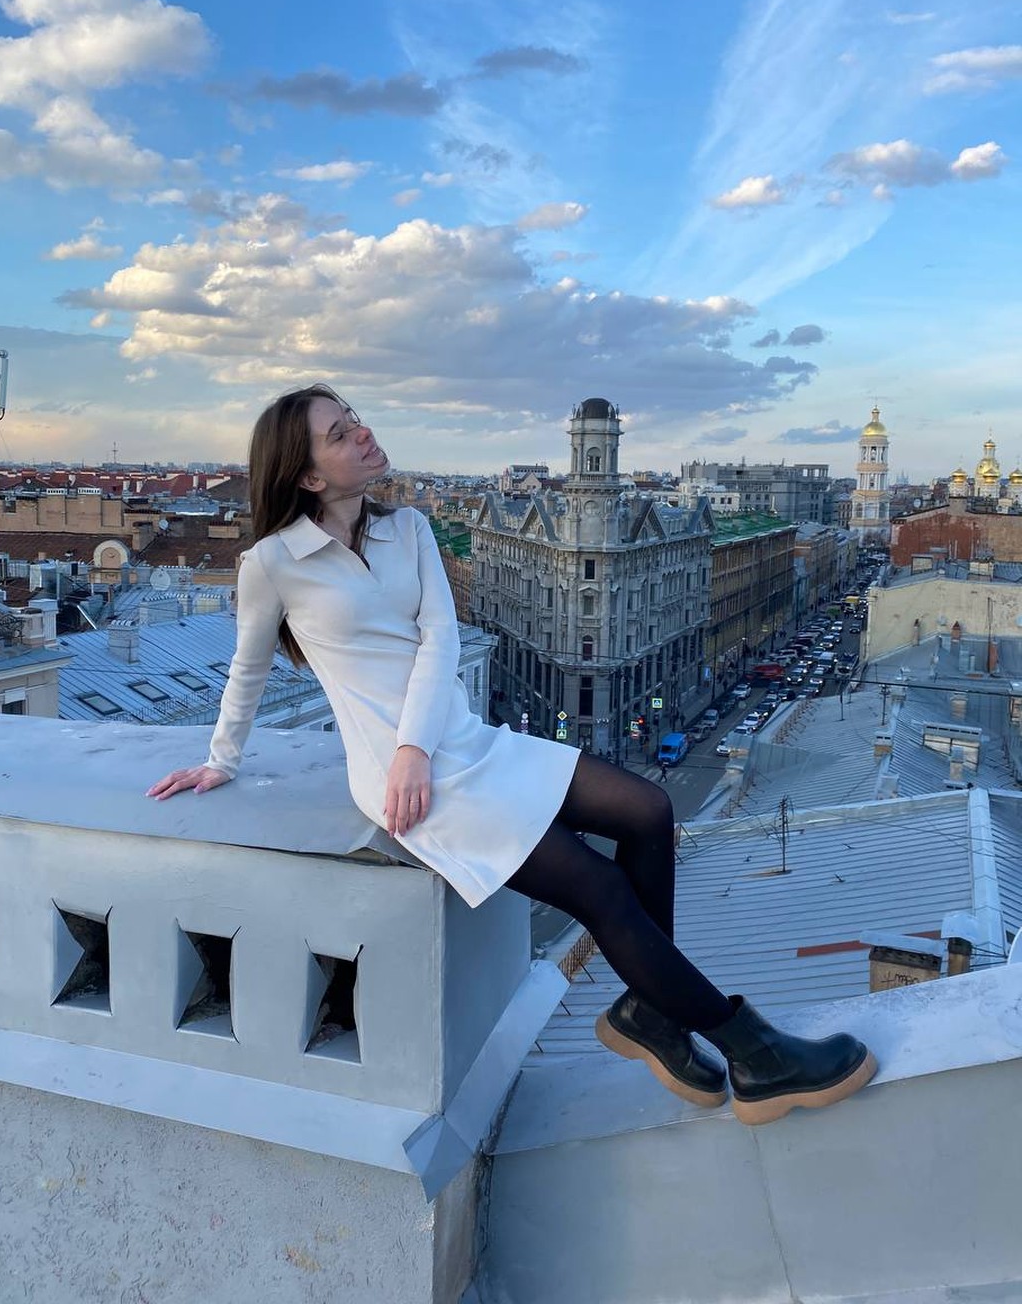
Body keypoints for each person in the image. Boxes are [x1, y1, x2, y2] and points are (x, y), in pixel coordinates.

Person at [148, 385, 876, 1124]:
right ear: (307, 474)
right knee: (601, 890)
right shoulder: (273, 562)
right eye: (339, 433)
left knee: (649, 810)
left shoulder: (409, 528)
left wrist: (419, 742)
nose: (362, 433)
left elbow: (440, 639)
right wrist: (222, 760)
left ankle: (654, 1014)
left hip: (460, 742)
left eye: (355, 419)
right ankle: (757, 1055)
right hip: (406, 779)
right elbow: (248, 667)